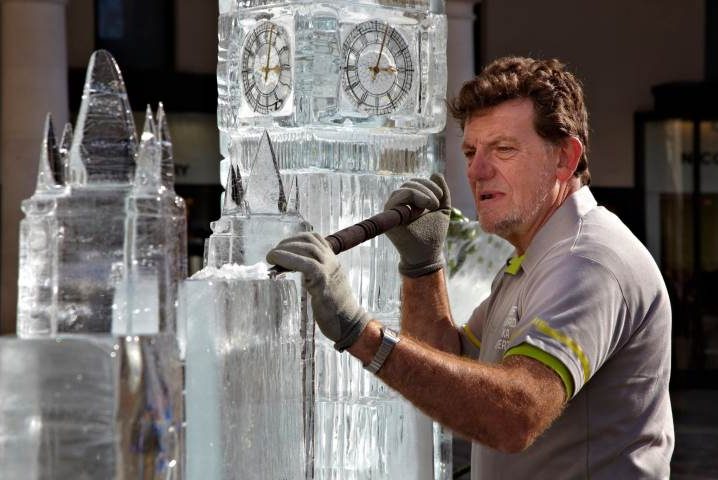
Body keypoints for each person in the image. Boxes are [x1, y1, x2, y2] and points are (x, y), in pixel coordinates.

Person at [267, 56, 674, 478]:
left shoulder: (586, 260)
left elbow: (514, 418)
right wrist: (422, 268)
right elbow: (452, 374)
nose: (477, 171)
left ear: (565, 158)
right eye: (470, 151)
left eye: (503, 149)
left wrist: (359, 332)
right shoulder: (539, 256)